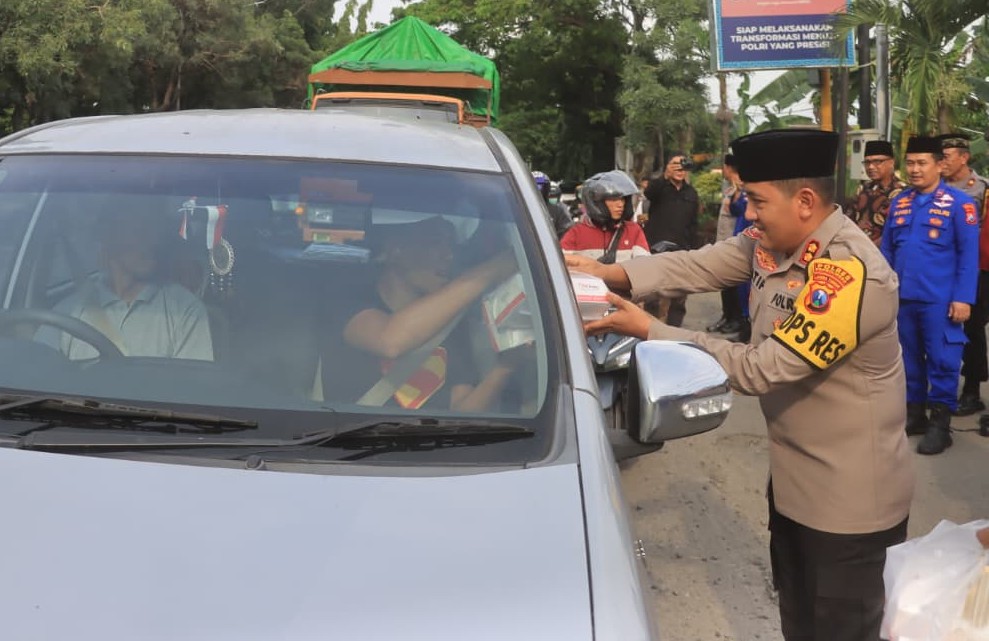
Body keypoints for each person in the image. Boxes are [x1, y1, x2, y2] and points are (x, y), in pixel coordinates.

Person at [566, 129, 914, 641]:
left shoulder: (848, 273)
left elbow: (761, 369)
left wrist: (652, 331)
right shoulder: (770, 243)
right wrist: (605, 271)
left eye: (756, 200)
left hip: (848, 504)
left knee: (839, 630)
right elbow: (694, 264)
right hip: (796, 486)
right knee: (800, 622)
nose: (748, 214)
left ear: (805, 201)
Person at [325, 216, 527, 412]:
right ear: (395, 250)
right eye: (435, 242)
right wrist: (490, 271)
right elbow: (389, 342)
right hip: (349, 439)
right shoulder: (350, 300)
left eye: (450, 245)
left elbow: (462, 412)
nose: (449, 255)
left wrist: (504, 368)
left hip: (431, 441)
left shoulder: (451, 325)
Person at [881, 135, 980, 455]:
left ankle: (940, 422)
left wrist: (964, 298)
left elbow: (968, 256)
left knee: (943, 359)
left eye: (922, 163)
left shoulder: (959, 204)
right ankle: (915, 414)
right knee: (907, 359)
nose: (914, 169)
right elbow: (887, 251)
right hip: (904, 297)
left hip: (941, 299)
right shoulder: (900, 202)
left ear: (939, 165)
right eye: (910, 162)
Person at [39, 207, 214, 360]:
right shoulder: (68, 312)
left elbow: (191, 389)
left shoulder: (185, 311)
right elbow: (38, 377)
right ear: (108, 237)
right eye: (140, 231)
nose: (152, 242)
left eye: (155, 232)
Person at [938, 133, 989, 416]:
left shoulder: (981, 189)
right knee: (942, 328)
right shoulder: (934, 188)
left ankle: (971, 389)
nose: (941, 162)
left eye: (946, 157)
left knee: (972, 328)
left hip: (973, 269)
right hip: (941, 268)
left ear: (964, 157)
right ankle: (942, 385)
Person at [641, 153, 701, 326]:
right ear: (667, 166)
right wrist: (665, 176)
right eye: (675, 164)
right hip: (656, 250)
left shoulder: (691, 193)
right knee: (653, 297)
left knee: (679, 298)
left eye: (683, 164)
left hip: (681, 252)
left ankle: (674, 333)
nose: (679, 168)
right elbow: (649, 193)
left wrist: (694, 252)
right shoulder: (659, 188)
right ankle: (649, 332)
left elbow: (693, 224)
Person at [560, 170, 650, 263]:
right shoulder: (577, 232)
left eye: (622, 199)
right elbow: (560, 265)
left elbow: (644, 267)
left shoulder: (633, 231)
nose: (620, 204)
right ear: (598, 203)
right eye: (613, 199)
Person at [707, 154, 750, 339]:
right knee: (724, 284)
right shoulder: (730, 187)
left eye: (723, 167)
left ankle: (740, 321)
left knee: (738, 286)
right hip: (724, 242)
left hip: (738, 243)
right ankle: (728, 316)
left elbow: (739, 210)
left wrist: (739, 192)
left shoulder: (746, 187)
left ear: (728, 167)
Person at [845, 139, 907, 246]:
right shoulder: (863, 188)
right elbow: (849, 219)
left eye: (877, 162)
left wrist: (870, 250)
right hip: (856, 251)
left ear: (891, 162)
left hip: (884, 255)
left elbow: (897, 231)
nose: (871, 167)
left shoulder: (903, 192)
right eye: (867, 162)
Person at [533, 170, 573, 239]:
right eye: (535, 186)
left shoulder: (558, 208)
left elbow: (567, 230)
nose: (539, 190)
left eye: (541, 186)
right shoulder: (518, 206)